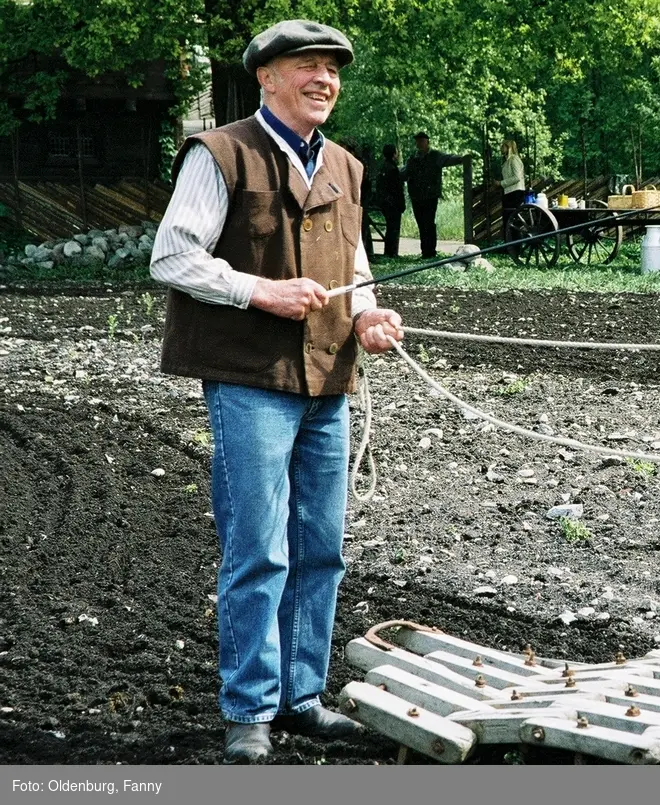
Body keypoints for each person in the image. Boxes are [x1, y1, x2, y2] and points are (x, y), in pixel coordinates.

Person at [149, 19, 404, 765]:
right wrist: (260, 291)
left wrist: (370, 316)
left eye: (332, 69)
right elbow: (172, 255)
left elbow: (354, 267)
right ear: (266, 77)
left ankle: (300, 697)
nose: (324, 79)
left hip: (329, 379)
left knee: (321, 549)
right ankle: (250, 710)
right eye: (308, 67)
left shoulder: (347, 168)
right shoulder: (220, 152)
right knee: (258, 549)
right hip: (248, 383)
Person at [404, 131, 467, 258]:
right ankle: (425, 251)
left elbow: (449, 159)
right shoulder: (412, 159)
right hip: (416, 196)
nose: (419, 143)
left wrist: (462, 159)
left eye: (421, 141)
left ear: (427, 142)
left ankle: (430, 251)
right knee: (421, 223)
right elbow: (405, 173)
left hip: (430, 196)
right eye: (417, 141)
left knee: (429, 223)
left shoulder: (435, 156)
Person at [378, 143, 405, 257]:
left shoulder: (383, 167)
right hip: (393, 203)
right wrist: (401, 203)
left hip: (385, 201)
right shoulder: (393, 169)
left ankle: (388, 251)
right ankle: (392, 252)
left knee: (390, 228)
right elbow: (397, 188)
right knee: (393, 228)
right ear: (394, 154)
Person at [498, 139, 525, 237]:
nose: (501, 148)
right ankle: (509, 246)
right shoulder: (508, 161)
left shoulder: (514, 160)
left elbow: (517, 177)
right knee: (508, 219)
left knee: (512, 220)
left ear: (508, 148)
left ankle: (513, 246)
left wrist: (501, 183)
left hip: (515, 193)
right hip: (510, 192)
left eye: (503, 146)